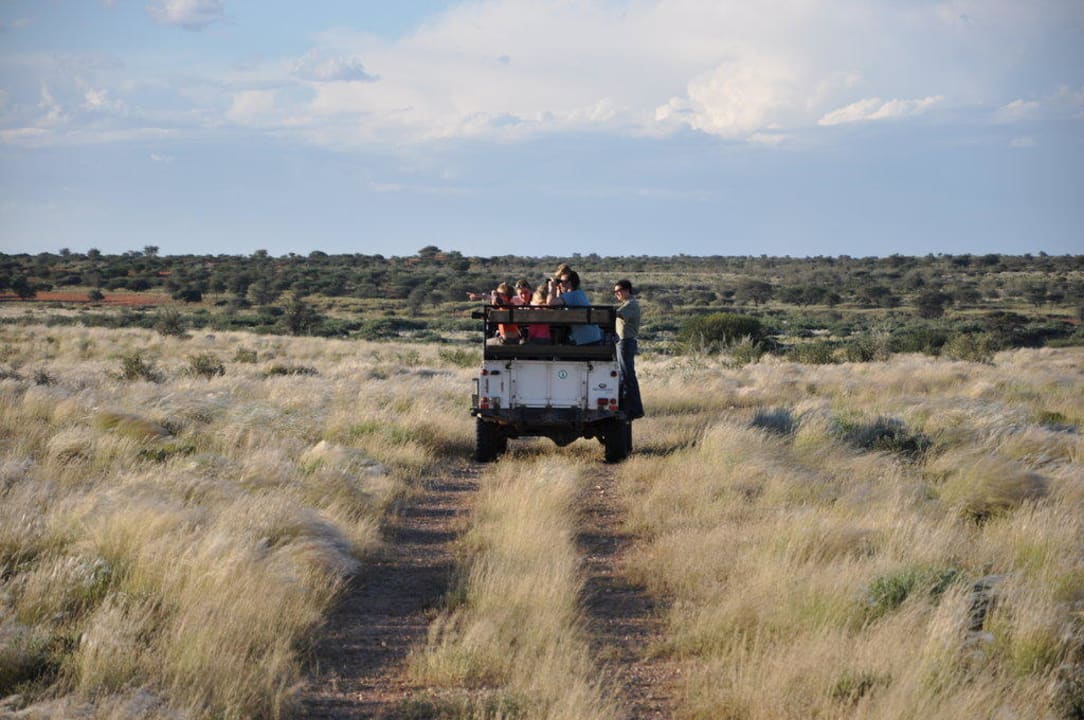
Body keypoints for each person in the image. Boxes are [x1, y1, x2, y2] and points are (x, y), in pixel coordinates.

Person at [613, 279, 644, 419]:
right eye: (615, 292)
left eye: (618, 291)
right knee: (624, 375)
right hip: (623, 342)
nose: (616, 294)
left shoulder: (630, 305)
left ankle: (634, 409)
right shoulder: (627, 304)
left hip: (625, 343)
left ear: (627, 290)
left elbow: (617, 314)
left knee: (627, 376)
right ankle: (629, 408)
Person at [548, 270, 602, 345]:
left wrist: (552, 288)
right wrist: (558, 290)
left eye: (562, 281)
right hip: (592, 336)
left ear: (569, 283)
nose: (561, 283)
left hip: (585, 339)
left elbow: (551, 303)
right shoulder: (579, 293)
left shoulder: (572, 295)